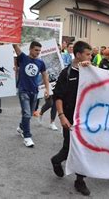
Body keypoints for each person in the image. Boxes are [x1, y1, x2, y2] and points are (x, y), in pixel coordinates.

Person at [51, 41, 92, 196]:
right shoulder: (66, 73)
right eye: (87, 54)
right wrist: (61, 116)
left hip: (86, 118)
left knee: (83, 148)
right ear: (78, 55)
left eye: (91, 54)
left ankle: (79, 181)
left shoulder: (92, 71)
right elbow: (58, 96)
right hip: (69, 117)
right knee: (68, 148)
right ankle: (56, 160)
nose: (90, 57)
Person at [13, 41, 50, 148]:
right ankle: (27, 137)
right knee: (27, 114)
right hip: (23, 90)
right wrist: (12, 36)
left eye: (39, 50)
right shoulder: (23, 58)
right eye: (36, 50)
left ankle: (21, 127)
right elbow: (15, 46)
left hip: (34, 92)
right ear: (30, 49)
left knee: (28, 115)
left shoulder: (40, 63)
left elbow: (45, 76)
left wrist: (47, 89)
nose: (38, 52)